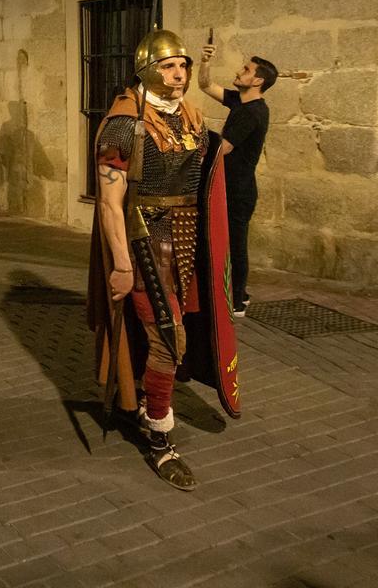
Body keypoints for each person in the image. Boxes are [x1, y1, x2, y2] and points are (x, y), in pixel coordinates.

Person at [91, 26, 221, 491]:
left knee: (173, 336)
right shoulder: (124, 124)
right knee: (169, 338)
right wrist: (122, 266)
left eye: (183, 64)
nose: (180, 73)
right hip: (145, 240)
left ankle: (147, 401)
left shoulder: (190, 115)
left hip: (187, 242)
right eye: (169, 65)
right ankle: (160, 435)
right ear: (147, 69)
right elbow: (109, 202)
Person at [198, 44, 276, 316]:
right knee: (227, 241)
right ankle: (233, 292)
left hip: (239, 191)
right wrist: (205, 60)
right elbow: (205, 85)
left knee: (236, 244)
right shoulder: (239, 101)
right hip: (228, 186)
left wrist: (194, 134)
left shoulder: (253, 112)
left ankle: (238, 299)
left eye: (246, 70)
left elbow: (225, 148)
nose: (239, 71)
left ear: (257, 81)